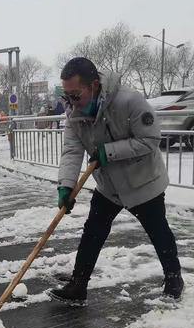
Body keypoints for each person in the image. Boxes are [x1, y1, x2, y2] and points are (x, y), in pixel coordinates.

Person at [47, 57, 183, 306]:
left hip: (143, 182)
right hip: (109, 186)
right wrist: (65, 186)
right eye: (66, 96)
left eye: (75, 95)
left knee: (158, 231)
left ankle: (174, 277)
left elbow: (150, 139)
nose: (71, 102)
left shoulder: (129, 101)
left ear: (94, 85)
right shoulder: (74, 113)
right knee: (93, 232)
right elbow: (72, 151)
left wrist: (108, 152)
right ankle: (78, 285)